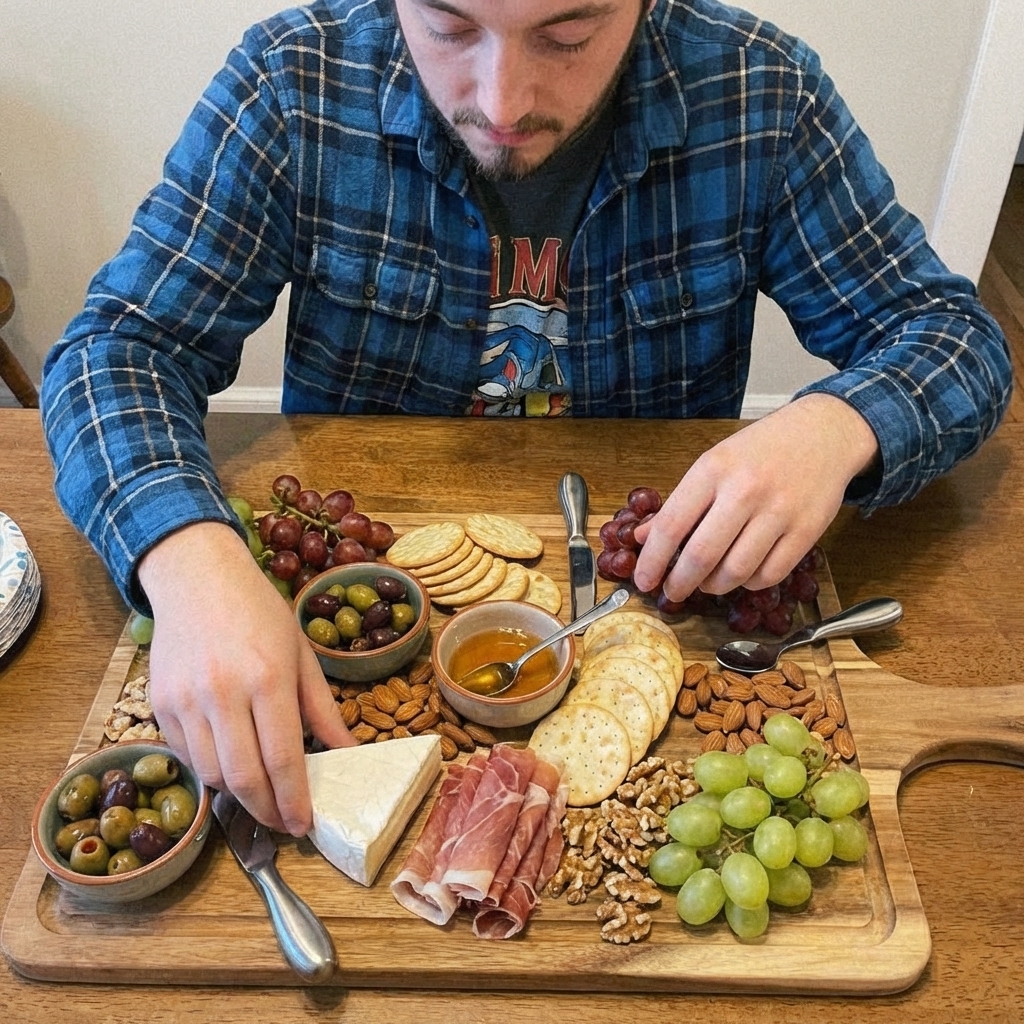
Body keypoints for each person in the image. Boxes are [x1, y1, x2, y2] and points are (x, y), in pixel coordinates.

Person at [41, 0, 1012, 836]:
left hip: (664, 607)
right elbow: (115, 347)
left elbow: (952, 336)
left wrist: (837, 427)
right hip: (357, 616)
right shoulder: (291, 82)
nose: (501, 105)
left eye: (567, 32)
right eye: (449, 26)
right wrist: (187, 557)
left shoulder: (761, 95)